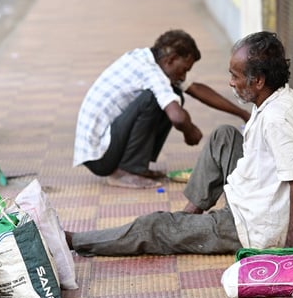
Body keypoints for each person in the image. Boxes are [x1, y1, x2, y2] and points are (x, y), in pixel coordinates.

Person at [67, 31, 293, 255]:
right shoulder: (278, 96)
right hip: (258, 205)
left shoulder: (276, 119)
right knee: (224, 136)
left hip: (255, 227)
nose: (231, 82)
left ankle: (77, 240)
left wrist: (291, 249)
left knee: (154, 227)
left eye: (235, 76)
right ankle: (187, 218)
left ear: (258, 80)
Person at [73, 29, 251, 189]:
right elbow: (177, 118)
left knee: (174, 94)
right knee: (154, 100)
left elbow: (196, 89)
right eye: (184, 69)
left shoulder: (151, 60)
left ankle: (135, 166)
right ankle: (127, 171)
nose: (183, 76)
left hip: (102, 148)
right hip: (100, 156)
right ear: (171, 59)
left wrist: (243, 113)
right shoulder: (152, 73)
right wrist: (189, 131)